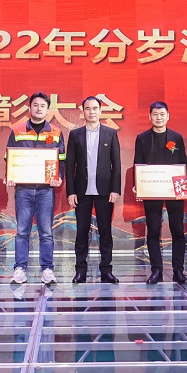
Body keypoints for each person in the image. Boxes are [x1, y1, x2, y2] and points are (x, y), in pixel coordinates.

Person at [6, 92, 65, 285]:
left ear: (48, 109)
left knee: (46, 232)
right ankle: (20, 269)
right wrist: (10, 176)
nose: (39, 109)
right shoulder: (17, 131)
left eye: (42, 106)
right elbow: (9, 158)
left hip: (46, 190)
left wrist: (59, 177)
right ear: (29, 108)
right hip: (23, 189)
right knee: (22, 231)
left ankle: (47, 269)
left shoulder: (56, 133)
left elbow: (62, 160)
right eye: (35, 105)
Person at [133, 101, 187, 285]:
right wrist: (138, 184)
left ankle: (178, 270)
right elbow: (138, 164)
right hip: (152, 189)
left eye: (162, 114)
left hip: (174, 188)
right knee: (153, 230)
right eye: (155, 114)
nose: (158, 117)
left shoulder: (176, 137)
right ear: (149, 116)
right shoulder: (142, 138)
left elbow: (183, 162)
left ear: (168, 116)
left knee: (177, 230)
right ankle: (156, 270)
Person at [65, 96, 122, 284]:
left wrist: (115, 189)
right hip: (81, 191)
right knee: (81, 232)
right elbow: (70, 165)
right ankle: (80, 271)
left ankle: (106, 271)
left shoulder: (110, 133)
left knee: (105, 232)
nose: (92, 112)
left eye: (95, 108)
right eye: (88, 108)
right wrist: (71, 192)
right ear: (83, 111)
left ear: (100, 111)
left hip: (104, 191)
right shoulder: (75, 135)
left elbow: (116, 163)